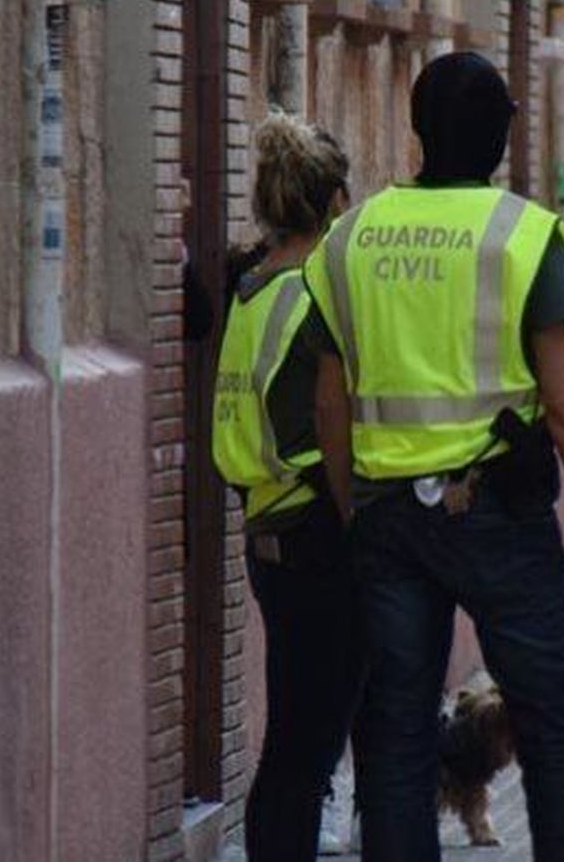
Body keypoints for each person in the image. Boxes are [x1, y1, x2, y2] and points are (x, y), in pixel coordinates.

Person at [301, 52, 564, 862]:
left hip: (388, 519)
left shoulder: (350, 239)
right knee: (553, 733)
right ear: (501, 138)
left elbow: (329, 401)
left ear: (419, 132)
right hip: (501, 519)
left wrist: (359, 516)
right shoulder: (528, 236)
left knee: (395, 740)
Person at [210, 111, 363, 861]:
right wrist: (357, 522)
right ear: (332, 202)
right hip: (316, 536)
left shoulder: (252, 287)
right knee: (309, 747)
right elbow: (331, 423)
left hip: (263, 533)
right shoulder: (316, 292)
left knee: (290, 744)